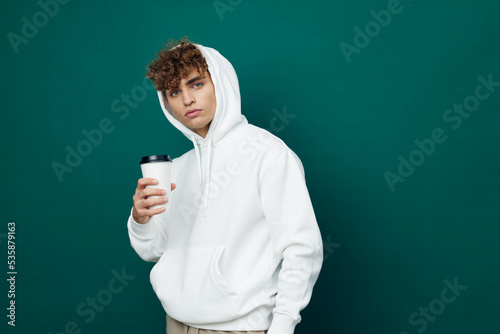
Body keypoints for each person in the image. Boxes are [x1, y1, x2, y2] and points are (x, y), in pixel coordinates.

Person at [127, 38, 323, 334]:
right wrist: (141, 219)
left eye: (196, 84)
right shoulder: (177, 167)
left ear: (220, 82)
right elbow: (154, 249)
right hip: (177, 324)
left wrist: (283, 325)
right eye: (174, 92)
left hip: (242, 328)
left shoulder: (268, 154)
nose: (187, 100)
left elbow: (302, 247)